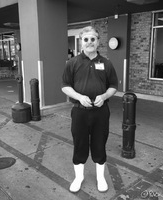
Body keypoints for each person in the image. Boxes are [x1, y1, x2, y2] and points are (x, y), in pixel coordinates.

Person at [62, 26, 118, 193]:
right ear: (81, 42)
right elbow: (65, 86)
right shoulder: (72, 63)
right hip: (80, 112)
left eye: (92, 39)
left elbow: (114, 86)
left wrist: (105, 96)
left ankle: (100, 177)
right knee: (80, 144)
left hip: (100, 112)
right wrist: (79, 97)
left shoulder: (106, 63)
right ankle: (79, 177)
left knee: (99, 144)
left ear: (98, 41)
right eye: (86, 39)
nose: (89, 42)